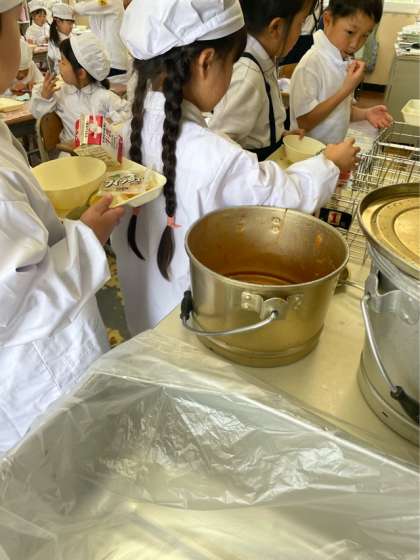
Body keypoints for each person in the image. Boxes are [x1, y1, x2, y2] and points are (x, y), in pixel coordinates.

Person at [111, 0, 359, 336]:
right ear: (206, 62)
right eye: (231, 63)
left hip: (141, 316)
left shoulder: (123, 135)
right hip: (190, 325)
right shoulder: (217, 157)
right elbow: (282, 197)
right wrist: (329, 163)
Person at [0, 0, 125, 455]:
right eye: (12, 25)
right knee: (76, 457)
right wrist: (87, 240)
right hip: (37, 381)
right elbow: (16, 296)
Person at [209, 0, 318, 161]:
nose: (300, 31)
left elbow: (259, 122)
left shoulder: (264, 58)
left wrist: (279, 136)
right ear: (276, 27)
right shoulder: (248, 75)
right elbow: (219, 144)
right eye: (301, 23)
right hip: (255, 168)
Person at [289, 0, 392, 145]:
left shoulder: (341, 60)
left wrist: (365, 113)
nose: (355, 44)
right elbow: (304, 123)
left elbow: (341, 110)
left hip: (332, 151)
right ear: (327, 20)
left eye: (365, 35)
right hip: (308, 153)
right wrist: (345, 90)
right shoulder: (311, 64)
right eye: (350, 32)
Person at [30, 32, 129, 146]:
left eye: (63, 62)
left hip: (101, 153)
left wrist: (110, 122)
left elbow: (128, 113)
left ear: (81, 73)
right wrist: (44, 97)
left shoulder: (104, 96)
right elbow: (38, 114)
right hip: (71, 153)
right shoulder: (60, 93)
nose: (58, 64)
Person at [73, 0, 129, 81]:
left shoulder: (111, 1)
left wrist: (73, 8)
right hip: (105, 60)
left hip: (114, 63)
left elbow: (82, 9)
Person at [47, 2, 75, 75]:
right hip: (63, 73)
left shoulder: (69, 35)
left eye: (72, 23)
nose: (71, 26)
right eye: (69, 23)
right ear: (58, 22)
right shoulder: (56, 40)